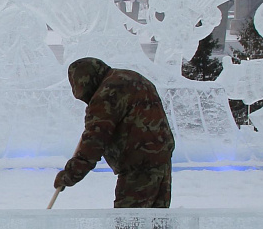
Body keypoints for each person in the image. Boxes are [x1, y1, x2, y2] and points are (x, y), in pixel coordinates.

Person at [53, 57, 176, 208]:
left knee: (130, 225)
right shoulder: (133, 77)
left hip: (138, 167)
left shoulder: (105, 94)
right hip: (162, 159)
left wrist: (69, 175)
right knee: (156, 223)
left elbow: (94, 142)